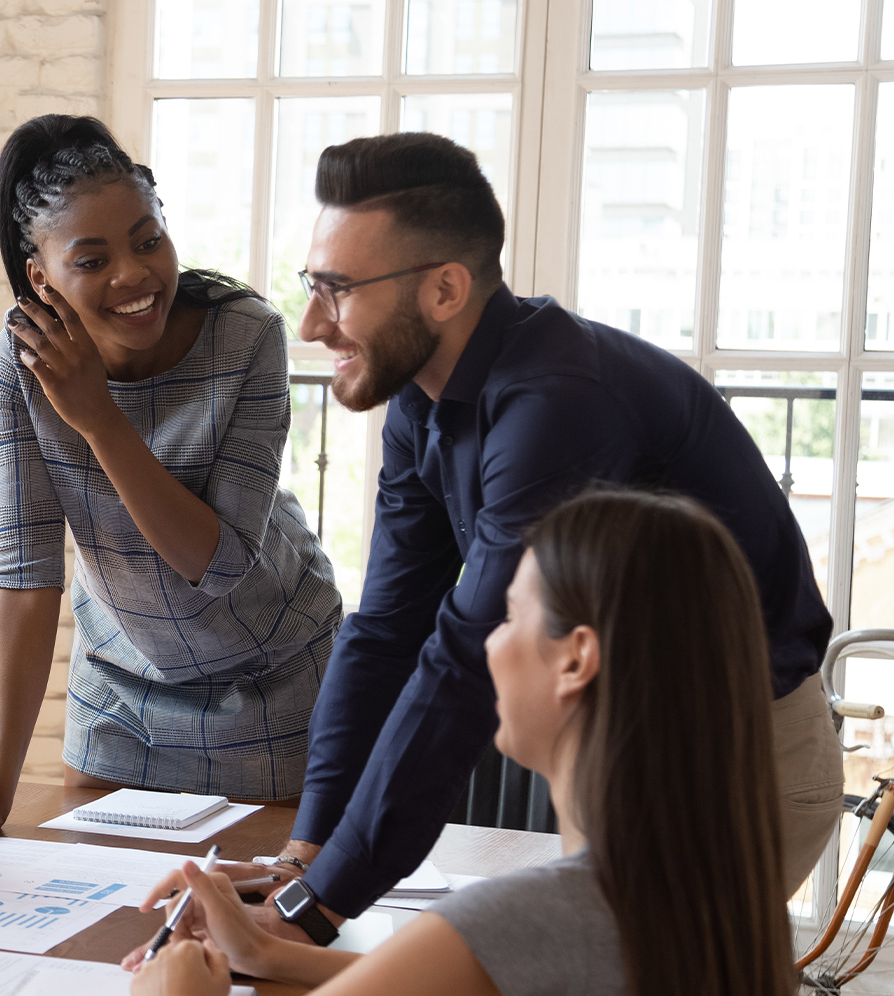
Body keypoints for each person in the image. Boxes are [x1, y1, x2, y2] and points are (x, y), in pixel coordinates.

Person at [229, 132, 838, 941]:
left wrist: (320, 908)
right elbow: (386, 631)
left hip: (735, 765)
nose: (310, 323)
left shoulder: (556, 403)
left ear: (445, 289)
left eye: (337, 290)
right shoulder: (423, 399)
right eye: (314, 284)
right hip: (625, 754)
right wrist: (306, 860)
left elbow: (464, 658)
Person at [0, 115, 344, 837]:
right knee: (98, 925)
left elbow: (214, 563)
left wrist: (98, 417)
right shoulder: (19, 364)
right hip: (122, 693)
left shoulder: (248, 336)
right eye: (91, 261)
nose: (134, 275)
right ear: (40, 275)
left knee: (250, 927)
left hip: (275, 684)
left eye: (148, 240)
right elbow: (26, 574)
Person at [127, 489, 796, 996]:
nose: (490, 645)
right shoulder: (714, 904)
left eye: (509, 616)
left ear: (576, 660)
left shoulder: (527, 915)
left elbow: (499, 947)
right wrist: (270, 955)